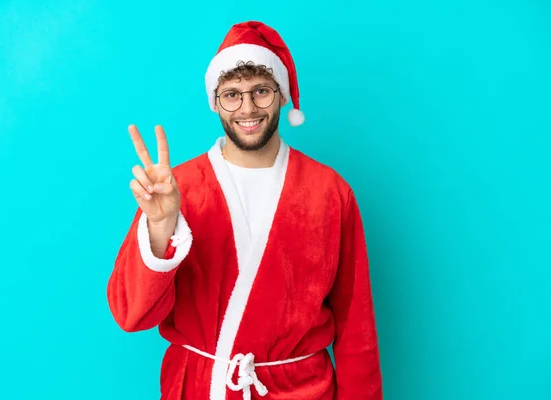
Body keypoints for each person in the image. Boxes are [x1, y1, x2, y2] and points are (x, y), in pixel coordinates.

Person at [107, 20, 383, 400]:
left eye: (261, 92)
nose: (248, 108)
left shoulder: (330, 192)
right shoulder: (176, 188)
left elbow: (357, 327)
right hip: (202, 388)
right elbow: (131, 315)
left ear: (282, 95)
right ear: (215, 101)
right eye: (232, 95)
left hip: (302, 390)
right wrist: (160, 223)